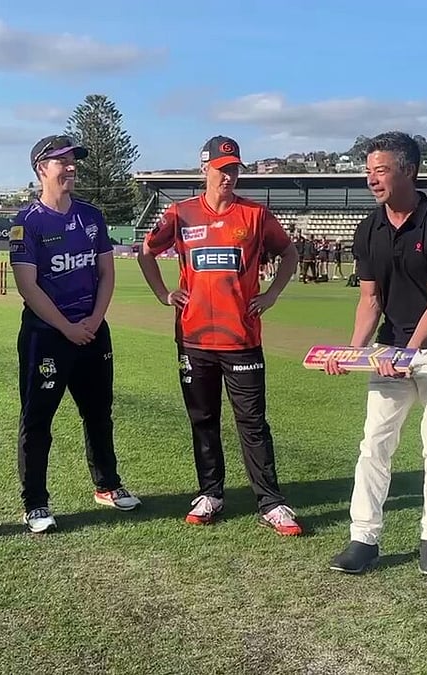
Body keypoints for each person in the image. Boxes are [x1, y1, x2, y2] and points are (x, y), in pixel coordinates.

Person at [323, 131, 427, 576]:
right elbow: (370, 300)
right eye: (368, 171)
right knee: (374, 445)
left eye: (381, 169)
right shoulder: (368, 229)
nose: (372, 179)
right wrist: (352, 353)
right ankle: (364, 538)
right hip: (392, 350)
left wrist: (408, 353)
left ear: (409, 170)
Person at [137, 135, 303, 536]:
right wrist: (163, 293)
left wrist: (273, 293)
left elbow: (289, 254)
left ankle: (272, 502)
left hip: (242, 337)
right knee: (203, 420)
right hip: (193, 338)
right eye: (221, 168)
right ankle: (210, 493)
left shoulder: (256, 216)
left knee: (252, 422)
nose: (228, 176)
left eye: (233, 169)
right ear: (204, 169)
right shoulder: (180, 213)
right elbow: (146, 251)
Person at [8, 134, 141, 534]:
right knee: (37, 420)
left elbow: (106, 271)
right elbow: (28, 286)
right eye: (60, 161)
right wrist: (66, 327)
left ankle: (107, 485)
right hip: (46, 335)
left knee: (99, 412)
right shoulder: (26, 223)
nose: (70, 167)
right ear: (40, 169)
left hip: (92, 330)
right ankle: (35, 503)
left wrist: (95, 321)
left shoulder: (91, 216)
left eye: (72, 161)